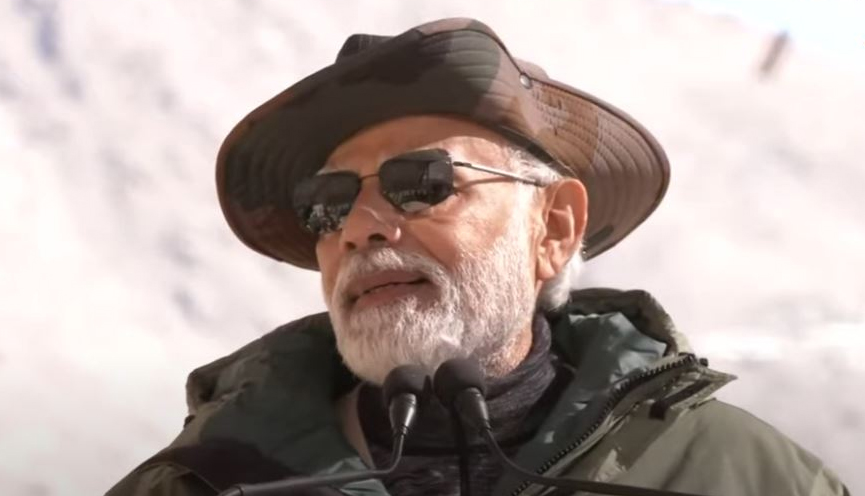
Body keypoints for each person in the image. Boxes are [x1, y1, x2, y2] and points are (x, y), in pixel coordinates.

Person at [107, 18, 848, 496]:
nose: (360, 228)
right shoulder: (198, 483)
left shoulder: (747, 478)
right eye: (328, 202)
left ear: (553, 228)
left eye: (421, 183)